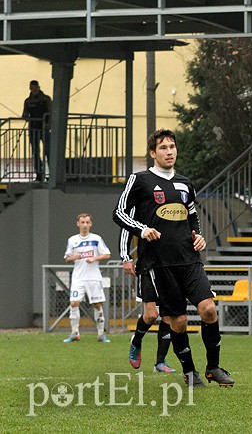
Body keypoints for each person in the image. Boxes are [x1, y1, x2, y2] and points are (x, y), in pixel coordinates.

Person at [113, 129, 233, 388]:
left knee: (209, 310)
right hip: (159, 263)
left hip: (189, 259)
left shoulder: (185, 182)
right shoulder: (140, 179)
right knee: (177, 321)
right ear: (153, 153)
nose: (169, 151)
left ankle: (213, 367)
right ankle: (190, 373)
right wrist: (142, 230)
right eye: (163, 147)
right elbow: (119, 213)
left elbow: (192, 215)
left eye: (172, 146)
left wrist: (198, 236)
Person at [121, 225, 177, 373]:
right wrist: (126, 258)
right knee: (152, 314)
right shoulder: (142, 206)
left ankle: (160, 362)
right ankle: (136, 341)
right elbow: (125, 227)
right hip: (148, 266)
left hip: (171, 266)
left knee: (169, 316)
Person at [62, 213, 111, 344]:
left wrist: (94, 258)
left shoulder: (96, 238)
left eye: (87, 222)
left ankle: (101, 334)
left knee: (97, 304)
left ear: (91, 224)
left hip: (94, 278)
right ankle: (74, 333)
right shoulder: (72, 240)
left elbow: (107, 254)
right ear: (78, 223)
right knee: (74, 303)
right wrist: (74, 257)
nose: (84, 225)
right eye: (82, 222)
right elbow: (67, 258)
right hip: (78, 278)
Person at [22, 79, 52, 182]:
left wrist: (48, 124)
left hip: (44, 128)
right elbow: (25, 115)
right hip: (33, 129)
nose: (34, 90)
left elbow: (50, 112)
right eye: (32, 88)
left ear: (39, 88)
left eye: (35, 88)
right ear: (30, 88)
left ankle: (52, 173)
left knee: (48, 151)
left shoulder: (46, 99)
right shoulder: (28, 101)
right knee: (35, 152)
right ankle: (39, 174)